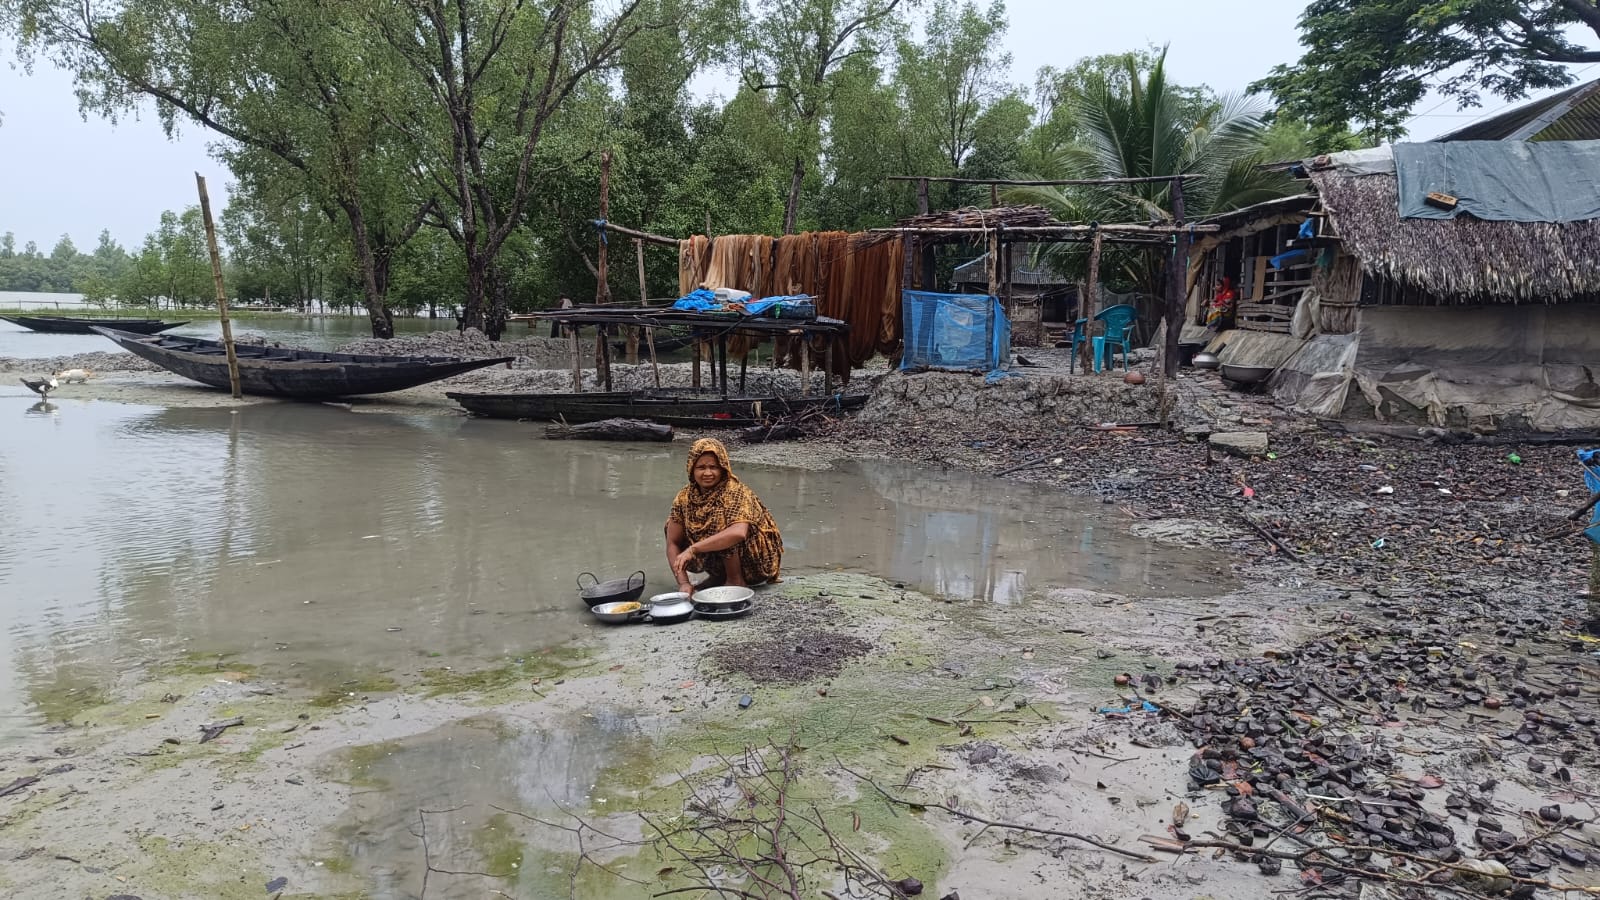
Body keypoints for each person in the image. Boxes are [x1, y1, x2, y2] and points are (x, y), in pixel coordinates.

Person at [665, 438, 783, 595]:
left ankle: (736, 581)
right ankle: (720, 577)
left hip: (757, 562)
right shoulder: (684, 497)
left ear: (723, 468)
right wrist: (684, 583)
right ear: (691, 469)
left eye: (713, 467)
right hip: (721, 557)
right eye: (701, 467)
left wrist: (693, 549)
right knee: (670, 525)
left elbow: (738, 533)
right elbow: (673, 541)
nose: (707, 473)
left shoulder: (734, 491)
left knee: (720, 521)